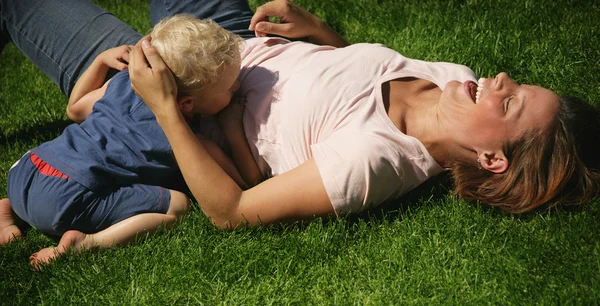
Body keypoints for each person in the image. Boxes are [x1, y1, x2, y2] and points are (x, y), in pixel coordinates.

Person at [2, 1, 599, 237]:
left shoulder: (374, 160)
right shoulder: (454, 77)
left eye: (511, 102)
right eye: (515, 84)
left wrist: (163, 104)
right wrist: (321, 35)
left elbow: (230, 212)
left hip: (182, 91)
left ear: (493, 158)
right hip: (222, 39)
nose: (498, 81)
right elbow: (354, 81)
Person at [0, 13, 252, 266]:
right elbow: (245, 183)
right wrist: (232, 126)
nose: (237, 86)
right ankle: (86, 244)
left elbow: (74, 110)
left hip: (26, 169)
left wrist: (100, 61)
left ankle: (8, 210)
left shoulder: (122, 84)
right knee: (178, 205)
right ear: (187, 104)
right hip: (65, 200)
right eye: (230, 87)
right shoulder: (190, 143)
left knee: (63, 170)